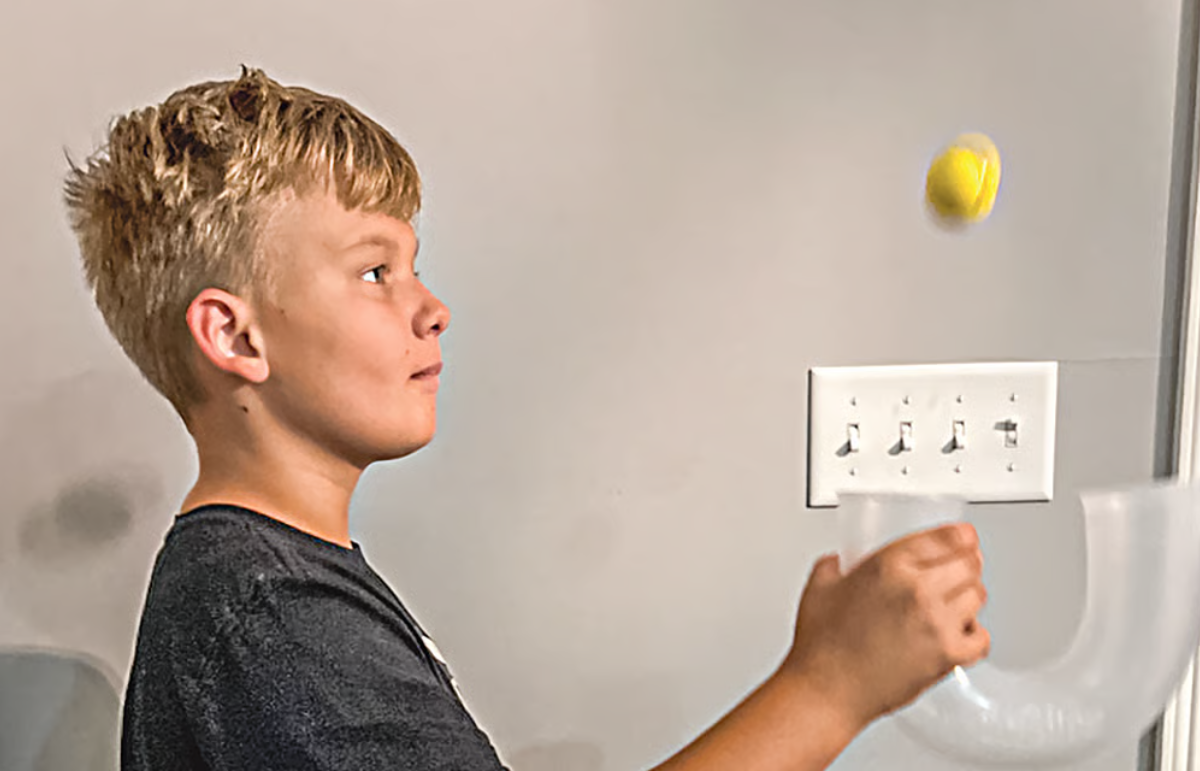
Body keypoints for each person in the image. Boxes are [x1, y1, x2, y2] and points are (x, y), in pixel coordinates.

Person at [63, 67, 989, 771]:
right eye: (375, 271)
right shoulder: (265, 613)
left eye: (414, 266)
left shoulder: (262, 585)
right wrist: (830, 687)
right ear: (234, 335)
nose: (432, 308)